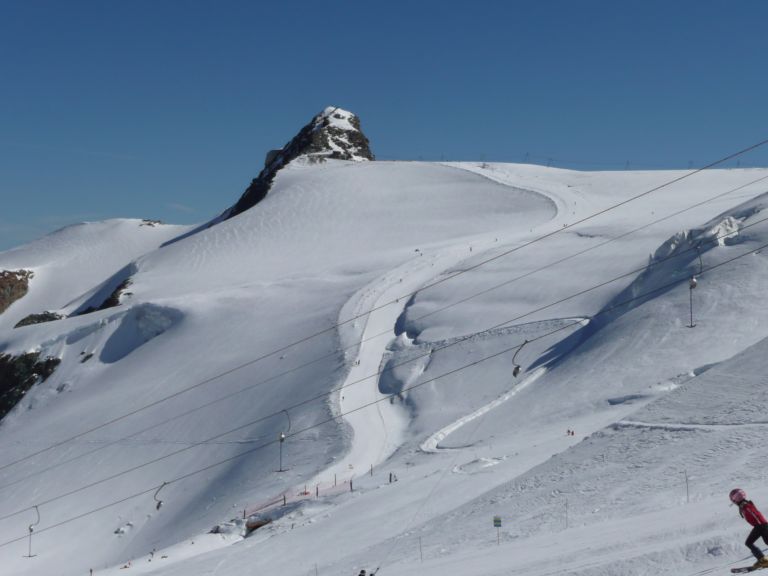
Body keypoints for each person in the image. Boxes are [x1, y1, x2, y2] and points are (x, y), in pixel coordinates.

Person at [730, 488, 768, 568]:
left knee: (749, 542)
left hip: (760, 525)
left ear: (736, 498)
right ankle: (763, 560)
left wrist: (760, 525)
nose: (733, 502)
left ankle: (763, 560)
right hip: (761, 525)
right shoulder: (744, 504)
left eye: (733, 499)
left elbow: (755, 514)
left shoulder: (745, 505)